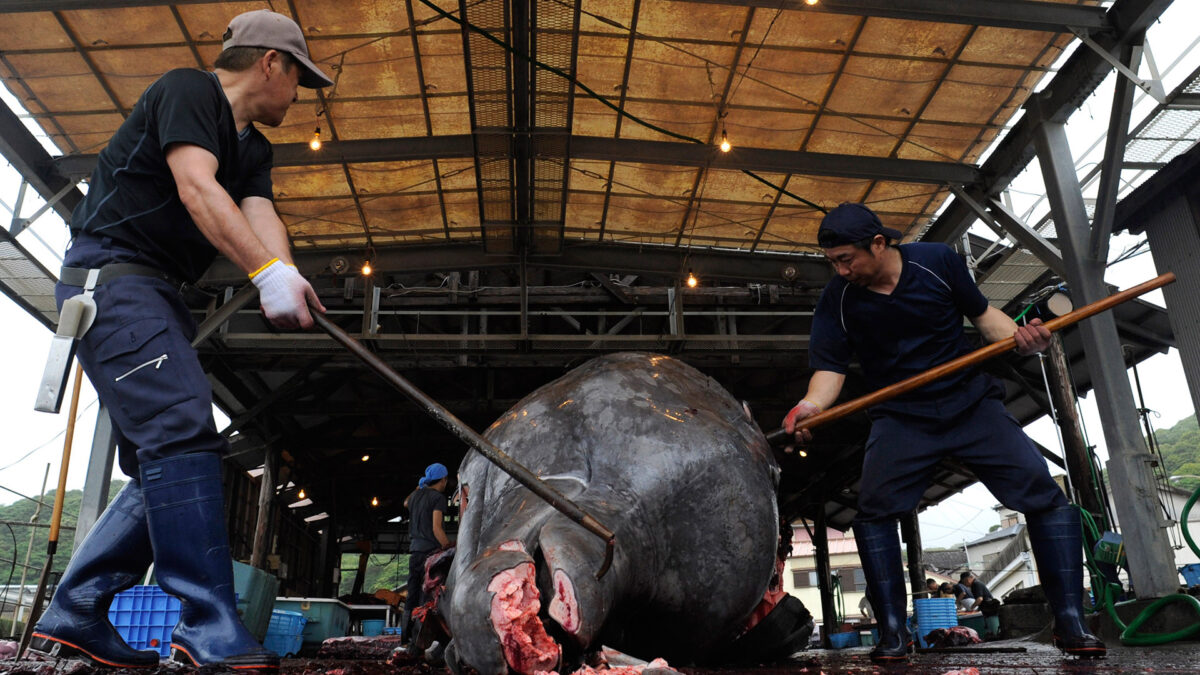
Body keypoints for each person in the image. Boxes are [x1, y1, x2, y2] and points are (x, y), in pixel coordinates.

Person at [29, 9, 332, 669]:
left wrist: (285, 274)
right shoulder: (187, 91)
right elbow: (197, 187)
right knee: (183, 425)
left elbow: (259, 212)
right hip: (112, 280)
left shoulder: (253, 147)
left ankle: (80, 604)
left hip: (158, 292)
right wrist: (264, 273)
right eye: (299, 77)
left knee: (160, 461)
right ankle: (206, 618)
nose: (300, 92)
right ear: (270, 63)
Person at [782, 203, 1105, 663]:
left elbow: (984, 316)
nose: (840, 269)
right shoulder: (838, 299)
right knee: (873, 513)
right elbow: (829, 370)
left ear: (879, 244)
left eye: (846, 258)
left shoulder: (935, 262)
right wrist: (810, 406)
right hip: (901, 418)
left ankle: (1071, 622)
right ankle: (894, 633)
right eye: (833, 261)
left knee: (1045, 495)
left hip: (970, 403)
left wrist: (1020, 337)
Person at [401, 463, 452, 648]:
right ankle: (421, 642)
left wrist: (418, 488)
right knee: (427, 596)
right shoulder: (438, 498)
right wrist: (447, 547)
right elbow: (436, 528)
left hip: (415, 552)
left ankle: (405, 639)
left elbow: (405, 503)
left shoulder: (414, 497)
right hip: (430, 553)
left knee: (412, 594)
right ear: (444, 479)